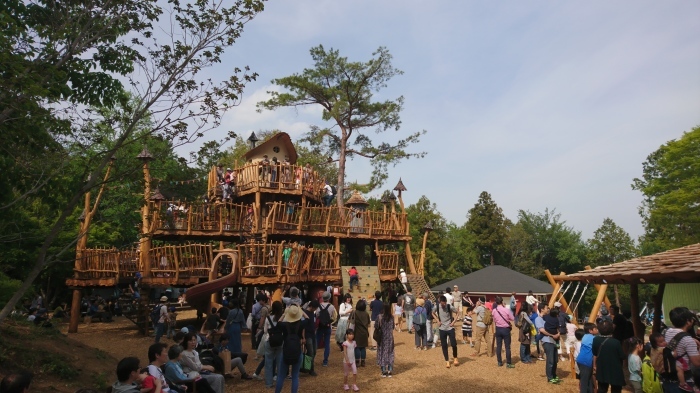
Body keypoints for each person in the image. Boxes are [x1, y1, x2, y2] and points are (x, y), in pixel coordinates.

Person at [663, 306, 700, 392]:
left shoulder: (667, 332)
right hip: (684, 383)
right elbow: (697, 363)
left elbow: (677, 339)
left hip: (668, 379)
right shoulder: (687, 339)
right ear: (688, 322)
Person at [275, 304, 305, 393]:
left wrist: (284, 313)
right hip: (297, 350)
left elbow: (278, 323)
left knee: (281, 376)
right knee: (295, 376)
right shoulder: (301, 324)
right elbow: (308, 319)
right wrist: (300, 310)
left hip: (286, 351)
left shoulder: (284, 325)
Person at [592, 319, 625, 393]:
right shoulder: (616, 342)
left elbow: (595, 353)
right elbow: (622, 356)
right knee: (616, 389)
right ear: (612, 329)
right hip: (615, 369)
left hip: (602, 368)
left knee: (602, 389)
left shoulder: (595, 340)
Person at [536, 303, 561, 384]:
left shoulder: (550, 317)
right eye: (547, 308)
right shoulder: (538, 319)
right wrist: (552, 335)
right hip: (547, 341)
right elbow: (542, 330)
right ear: (542, 309)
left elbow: (556, 327)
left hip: (553, 340)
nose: (548, 309)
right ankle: (550, 377)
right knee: (550, 360)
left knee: (555, 360)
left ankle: (554, 374)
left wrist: (558, 333)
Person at [433, 295, 459, 368]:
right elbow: (432, 313)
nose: (443, 305)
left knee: (453, 344)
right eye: (442, 303)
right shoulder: (437, 307)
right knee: (444, 345)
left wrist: (453, 322)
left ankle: (455, 358)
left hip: (450, 328)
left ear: (446, 302)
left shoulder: (449, 306)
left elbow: (457, 312)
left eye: (444, 303)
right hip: (442, 328)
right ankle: (447, 361)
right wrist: (437, 320)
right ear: (440, 302)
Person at [264, 301, 284, 388]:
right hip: (280, 341)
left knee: (268, 362)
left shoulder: (268, 318)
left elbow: (265, 331)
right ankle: (279, 382)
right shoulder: (283, 318)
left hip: (270, 340)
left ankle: (269, 383)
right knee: (280, 362)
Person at [492, 296, 515, 368]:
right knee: (507, 347)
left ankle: (499, 362)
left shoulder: (494, 310)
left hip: (498, 329)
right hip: (505, 329)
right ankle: (508, 363)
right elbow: (512, 318)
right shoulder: (506, 310)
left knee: (499, 346)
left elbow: (494, 320)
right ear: (502, 302)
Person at [316, 291, 337, 367]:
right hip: (327, 326)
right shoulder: (331, 307)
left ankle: (312, 359)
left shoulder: (319, 306)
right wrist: (330, 322)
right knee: (327, 344)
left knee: (316, 342)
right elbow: (334, 317)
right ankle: (325, 361)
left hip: (320, 326)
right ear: (329, 298)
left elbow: (317, 315)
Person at [576, 322, 598, 393]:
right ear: (590, 331)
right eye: (595, 328)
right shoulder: (594, 338)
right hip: (586, 362)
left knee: (588, 379)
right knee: (585, 382)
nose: (597, 330)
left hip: (580, 360)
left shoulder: (585, 336)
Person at [376, 302, 395, 377]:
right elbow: (393, 327)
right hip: (390, 337)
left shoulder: (380, 317)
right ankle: (390, 370)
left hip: (382, 337)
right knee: (390, 352)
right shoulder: (392, 317)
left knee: (382, 352)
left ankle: (383, 370)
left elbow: (376, 326)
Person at [301, 300, 319, 376]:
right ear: (311, 306)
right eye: (315, 308)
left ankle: (307, 366)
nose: (315, 309)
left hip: (313, 334)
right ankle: (311, 369)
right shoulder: (305, 313)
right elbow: (303, 327)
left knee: (314, 351)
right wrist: (303, 337)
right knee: (311, 352)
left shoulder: (312, 313)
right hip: (308, 335)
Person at [353, 300, 371, 367]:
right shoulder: (366, 314)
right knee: (363, 348)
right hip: (365, 333)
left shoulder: (355, 313)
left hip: (357, 332)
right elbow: (368, 324)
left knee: (357, 347)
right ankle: (363, 361)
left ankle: (357, 361)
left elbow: (351, 322)